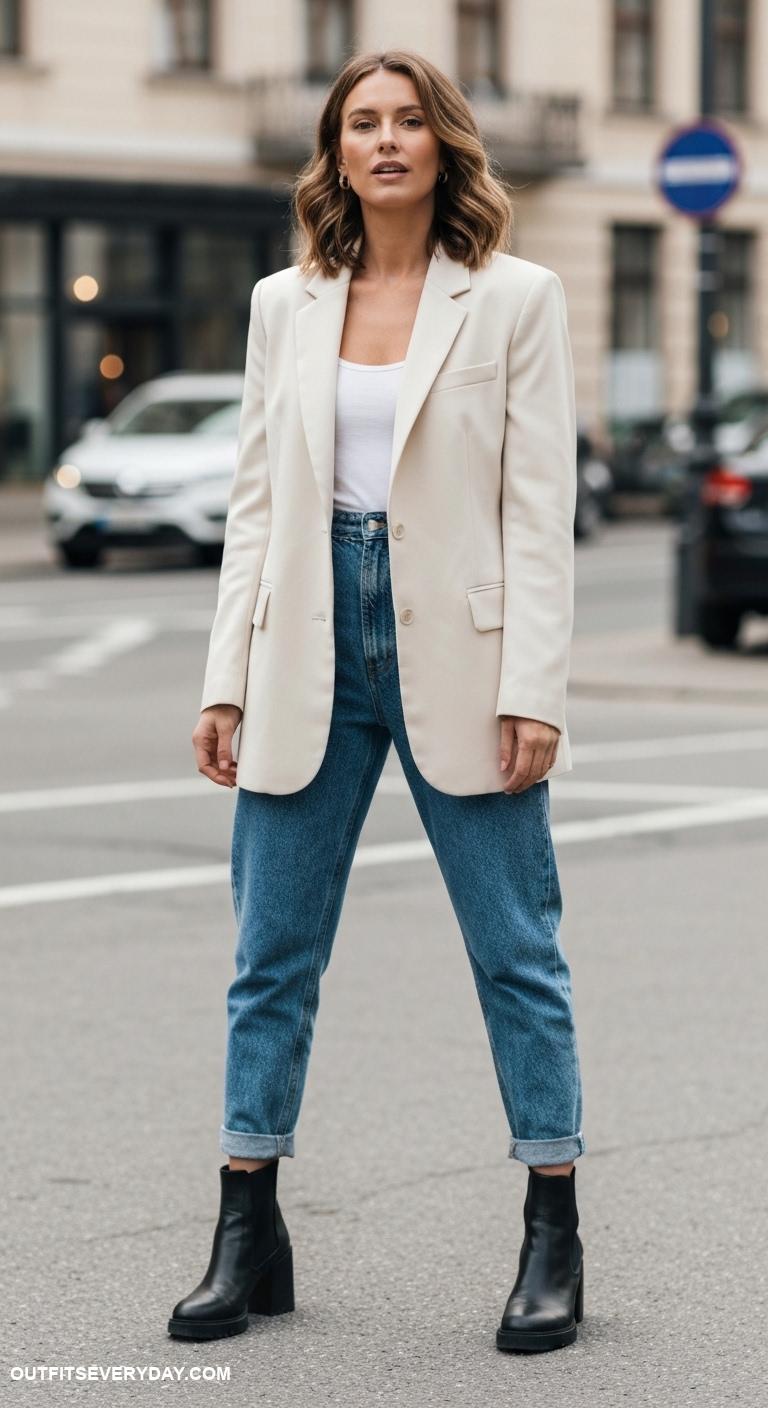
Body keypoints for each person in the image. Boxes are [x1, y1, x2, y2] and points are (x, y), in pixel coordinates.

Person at [168, 48, 586, 1354]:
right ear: (338, 150)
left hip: (458, 651)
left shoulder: (516, 298)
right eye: (365, 123)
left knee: (517, 952)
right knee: (268, 957)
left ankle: (554, 1231)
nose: (388, 141)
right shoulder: (281, 304)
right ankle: (248, 1230)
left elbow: (539, 512)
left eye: (410, 121)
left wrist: (536, 687)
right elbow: (253, 503)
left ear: (444, 144)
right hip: (308, 638)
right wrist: (224, 676)